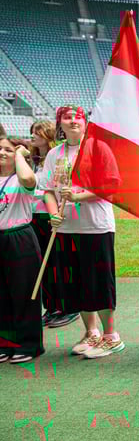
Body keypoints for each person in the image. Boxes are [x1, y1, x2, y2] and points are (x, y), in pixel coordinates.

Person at [43, 106, 122, 359]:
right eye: (67, 117)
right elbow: (47, 189)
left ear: (85, 122)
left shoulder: (98, 148)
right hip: (66, 229)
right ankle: (92, 333)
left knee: (99, 282)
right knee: (77, 283)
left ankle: (111, 336)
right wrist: (54, 213)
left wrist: (79, 196)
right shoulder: (55, 154)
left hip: (95, 227)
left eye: (78, 117)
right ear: (60, 124)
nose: (73, 121)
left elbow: (111, 186)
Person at [0, 135, 44, 364]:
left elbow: (28, 177)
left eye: (7, 150)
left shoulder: (22, 179)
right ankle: (5, 343)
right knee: (2, 295)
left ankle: (28, 344)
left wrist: (19, 154)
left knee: (24, 292)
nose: (2, 153)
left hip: (19, 237)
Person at [29, 120, 74, 329]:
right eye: (31, 132)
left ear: (46, 134)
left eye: (36, 132)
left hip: (51, 215)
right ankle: (50, 306)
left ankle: (64, 307)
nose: (32, 136)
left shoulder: (58, 157)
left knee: (56, 263)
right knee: (43, 265)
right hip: (33, 216)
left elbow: (57, 186)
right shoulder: (32, 160)